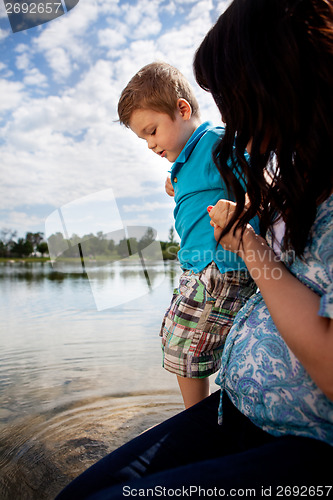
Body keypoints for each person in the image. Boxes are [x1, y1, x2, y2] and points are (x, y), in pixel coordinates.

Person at [55, 0, 333, 497]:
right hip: (237, 408)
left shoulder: (224, 146)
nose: (232, 119)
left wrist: (247, 245)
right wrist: (178, 183)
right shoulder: (298, 179)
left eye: (236, 97)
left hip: (304, 437)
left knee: (182, 342)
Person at [117, 62, 258, 408]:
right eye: (143, 139)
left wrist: (245, 210)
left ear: (182, 109)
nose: (149, 145)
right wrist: (175, 182)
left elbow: (258, 180)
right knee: (179, 338)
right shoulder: (186, 162)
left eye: (152, 131)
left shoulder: (215, 143)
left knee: (185, 346)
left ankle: (196, 418)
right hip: (198, 270)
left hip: (220, 266)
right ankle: (207, 412)